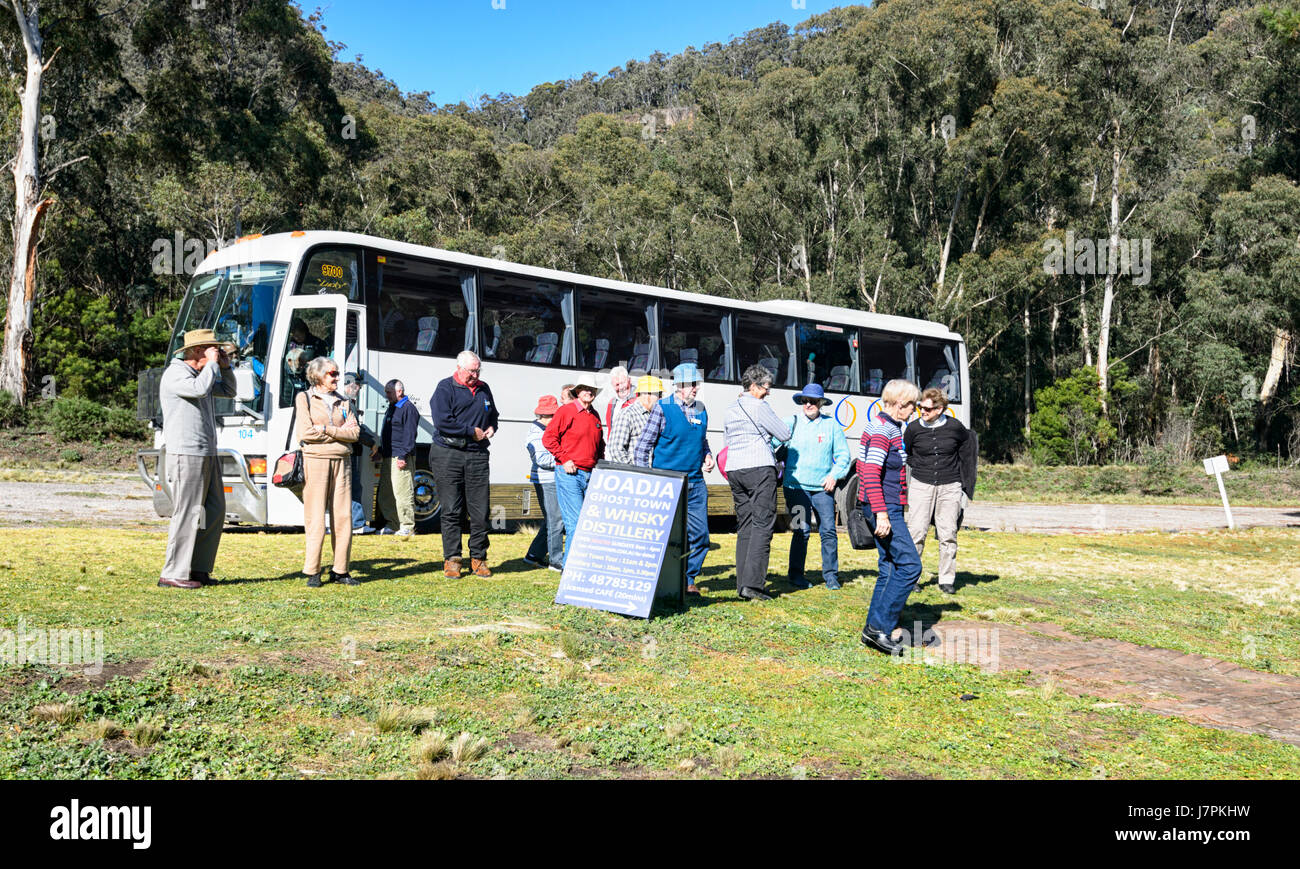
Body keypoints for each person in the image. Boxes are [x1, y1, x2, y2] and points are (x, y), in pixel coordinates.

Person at [158, 329, 237, 589]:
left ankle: (198, 568)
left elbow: (228, 390)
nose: (216, 351)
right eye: (210, 348)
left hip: (207, 451)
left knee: (213, 511)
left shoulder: (200, 372)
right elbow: (201, 390)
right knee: (188, 513)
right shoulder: (176, 374)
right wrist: (212, 365)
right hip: (186, 452)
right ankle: (173, 572)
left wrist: (225, 368)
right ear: (194, 351)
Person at [633, 362, 714, 596]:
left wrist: (707, 455)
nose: (695, 388)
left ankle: (687, 578)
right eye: (690, 384)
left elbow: (702, 440)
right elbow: (642, 447)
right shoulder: (662, 407)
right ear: (678, 386)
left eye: (695, 384)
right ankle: (655, 579)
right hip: (666, 482)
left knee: (701, 537)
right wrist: (646, 479)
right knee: (662, 536)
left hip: (695, 483)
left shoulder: (701, 409)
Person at [857, 379, 922, 654]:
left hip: (883, 506)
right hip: (885, 507)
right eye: (912, 406)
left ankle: (874, 629)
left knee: (889, 568)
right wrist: (882, 513)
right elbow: (870, 472)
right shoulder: (883, 429)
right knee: (910, 566)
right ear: (899, 405)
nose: (914, 411)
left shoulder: (887, 427)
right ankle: (879, 628)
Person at [722, 365, 792, 601]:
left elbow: (727, 438)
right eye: (766, 387)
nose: (768, 392)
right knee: (763, 524)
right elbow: (784, 433)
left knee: (746, 526)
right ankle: (753, 586)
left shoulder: (731, 408)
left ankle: (742, 583)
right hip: (760, 467)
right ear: (753, 386)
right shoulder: (760, 406)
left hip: (735, 469)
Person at [429, 350, 498, 579]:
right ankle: (452, 559)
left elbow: (494, 415)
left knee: (480, 511)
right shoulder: (444, 388)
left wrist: (491, 428)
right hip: (449, 453)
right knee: (451, 509)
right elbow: (442, 421)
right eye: (471, 371)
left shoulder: (484, 388)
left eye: (478, 370)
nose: (475, 375)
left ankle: (478, 558)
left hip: (477, 454)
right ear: (459, 368)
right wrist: (471, 431)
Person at [904, 387, 977, 595]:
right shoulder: (913, 429)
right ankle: (912, 578)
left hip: (950, 486)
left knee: (948, 534)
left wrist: (965, 486)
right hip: (921, 484)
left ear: (940, 409)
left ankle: (946, 579)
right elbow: (907, 452)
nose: (922, 412)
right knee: (917, 531)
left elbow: (967, 452)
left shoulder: (955, 427)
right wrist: (920, 465)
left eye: (926, 408)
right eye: (920, 408)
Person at [296, 356, 361, 587]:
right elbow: (305, 433)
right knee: (315, 517)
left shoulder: (343, 400)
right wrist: (338, 432)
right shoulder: (304, 397)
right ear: (317, 376)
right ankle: (313, 571)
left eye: (337, 373)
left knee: (343, 517)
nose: (336, 377)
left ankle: (341, 570)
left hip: (342, 462)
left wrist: (324, 429)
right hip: (315, 461)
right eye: (331, 373)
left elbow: (355, 433)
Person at [780, 383, 851, 590]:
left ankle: (831, 576)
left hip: (822, 489)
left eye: (813, 401)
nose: (808, 404)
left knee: (828, 531)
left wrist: (834, 476)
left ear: (821, 403)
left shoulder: (832, 426)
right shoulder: (790, 423)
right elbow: (772, 443)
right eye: (805, 401)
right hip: (795, 488)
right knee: (801, 531)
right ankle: (795, 576)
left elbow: (843, 456)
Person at [543, 380, 605, 565]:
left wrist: (600, 465)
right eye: (585, 389)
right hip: (570, 473)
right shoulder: (566, 411)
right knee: (576, 524)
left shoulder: (594, 415)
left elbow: (599, 445)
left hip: (590, 474)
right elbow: (548, 438)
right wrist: (564, 458)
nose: (589, 392)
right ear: (577, 392)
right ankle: (570, 569)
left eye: (592, 389)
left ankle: (581, 565)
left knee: (587, 524)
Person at [372, 379, 419, 539]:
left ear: (400, 392)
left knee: (403, 492)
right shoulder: (392, 407)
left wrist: (403, 456)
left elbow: (409, 435)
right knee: (387, 493)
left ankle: (407, 526)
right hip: (388, 456)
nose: (387, 395)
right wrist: (381, 451)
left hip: (400, 457)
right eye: (386, 392)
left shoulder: (408, 409)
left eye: (389, 392)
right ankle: (392, 524)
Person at [524, 395, 563, 571]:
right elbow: (542, 459)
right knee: (556, 520)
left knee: (551, 520)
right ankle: (556, 560)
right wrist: (566, 459)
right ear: (544, 416)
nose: (556, 419)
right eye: (553, 416)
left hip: (550, 479)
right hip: (546, 480)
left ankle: (534, 555)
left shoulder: (543, 429)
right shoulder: (536, 433)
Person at [342, 373, 377, 535]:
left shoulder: (342, 402)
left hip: (345, 451)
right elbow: (357, 432)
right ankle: (357, 523)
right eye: (356, 385)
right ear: (348, 385)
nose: (358, 389)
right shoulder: (347, 404)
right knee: (354, 487)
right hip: (349, 452)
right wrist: (372, 443)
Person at [608, 374, 663, 464]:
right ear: (647, 395)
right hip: (635, 475)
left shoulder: (655, 415)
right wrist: (633, 472)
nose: (661, 398)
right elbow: (616, 449)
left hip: (651, 474)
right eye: (658, 394)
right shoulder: (627, 414)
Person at [604, 366, 636, 430]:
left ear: (629, 380)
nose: (621, 388)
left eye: (623, 383)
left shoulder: (639, 399)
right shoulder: (612, 403)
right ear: (612, 385)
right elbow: (610, 430)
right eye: (617, 385)